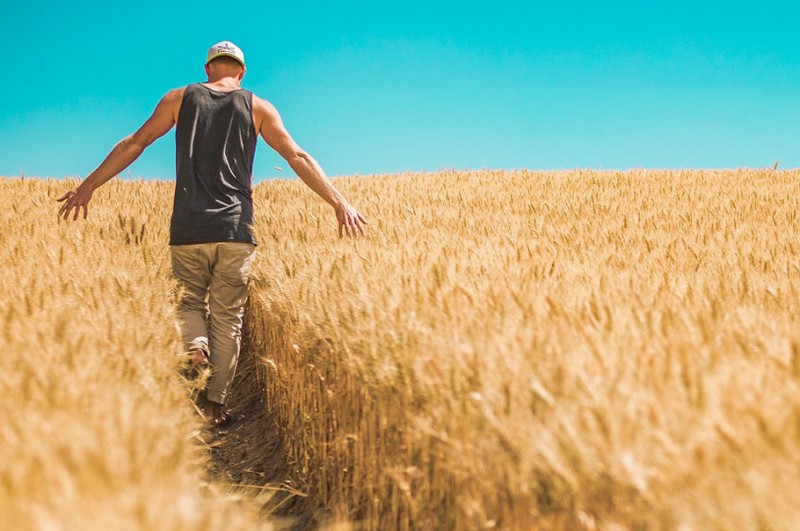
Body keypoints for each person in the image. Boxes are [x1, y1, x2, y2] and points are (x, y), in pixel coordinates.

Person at [57, 41, 368, 426]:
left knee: (189, 304)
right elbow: (297, 157)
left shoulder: (178, 98)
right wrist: (340, 203)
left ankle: (194, 345)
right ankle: (214, 404)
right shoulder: (258, 107)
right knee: (228, 318)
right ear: (241, 72)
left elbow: (134, 143)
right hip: (236, 229)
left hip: (188, 225)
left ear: (208, 69)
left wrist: (88, 186)